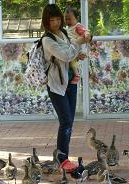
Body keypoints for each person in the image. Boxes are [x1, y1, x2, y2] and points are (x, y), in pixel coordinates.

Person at [41, 4, 91, 172]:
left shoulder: (63, 33)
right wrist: (77, 44)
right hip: (56, 86)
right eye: (51, 20)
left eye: (57, 19)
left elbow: (71, 52)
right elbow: (66, 54)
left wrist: (77, 51)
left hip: (70, 82)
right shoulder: (47, 39)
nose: (55, 23)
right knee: (66, 121)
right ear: (46, 22)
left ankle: (62, 157)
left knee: (69, 122)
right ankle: (62, 159)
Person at [64, 7, 91, 84]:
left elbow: (85, 32)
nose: (67, 21)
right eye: (66, 19)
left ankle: (77, 75)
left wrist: (86, 35)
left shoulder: (77, 26)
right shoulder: (66, 28)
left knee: (72, 61)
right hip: (70, 48)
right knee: (71, 61)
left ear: (76, 18)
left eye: (70, 19)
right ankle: (75, 74)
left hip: (76, 48)